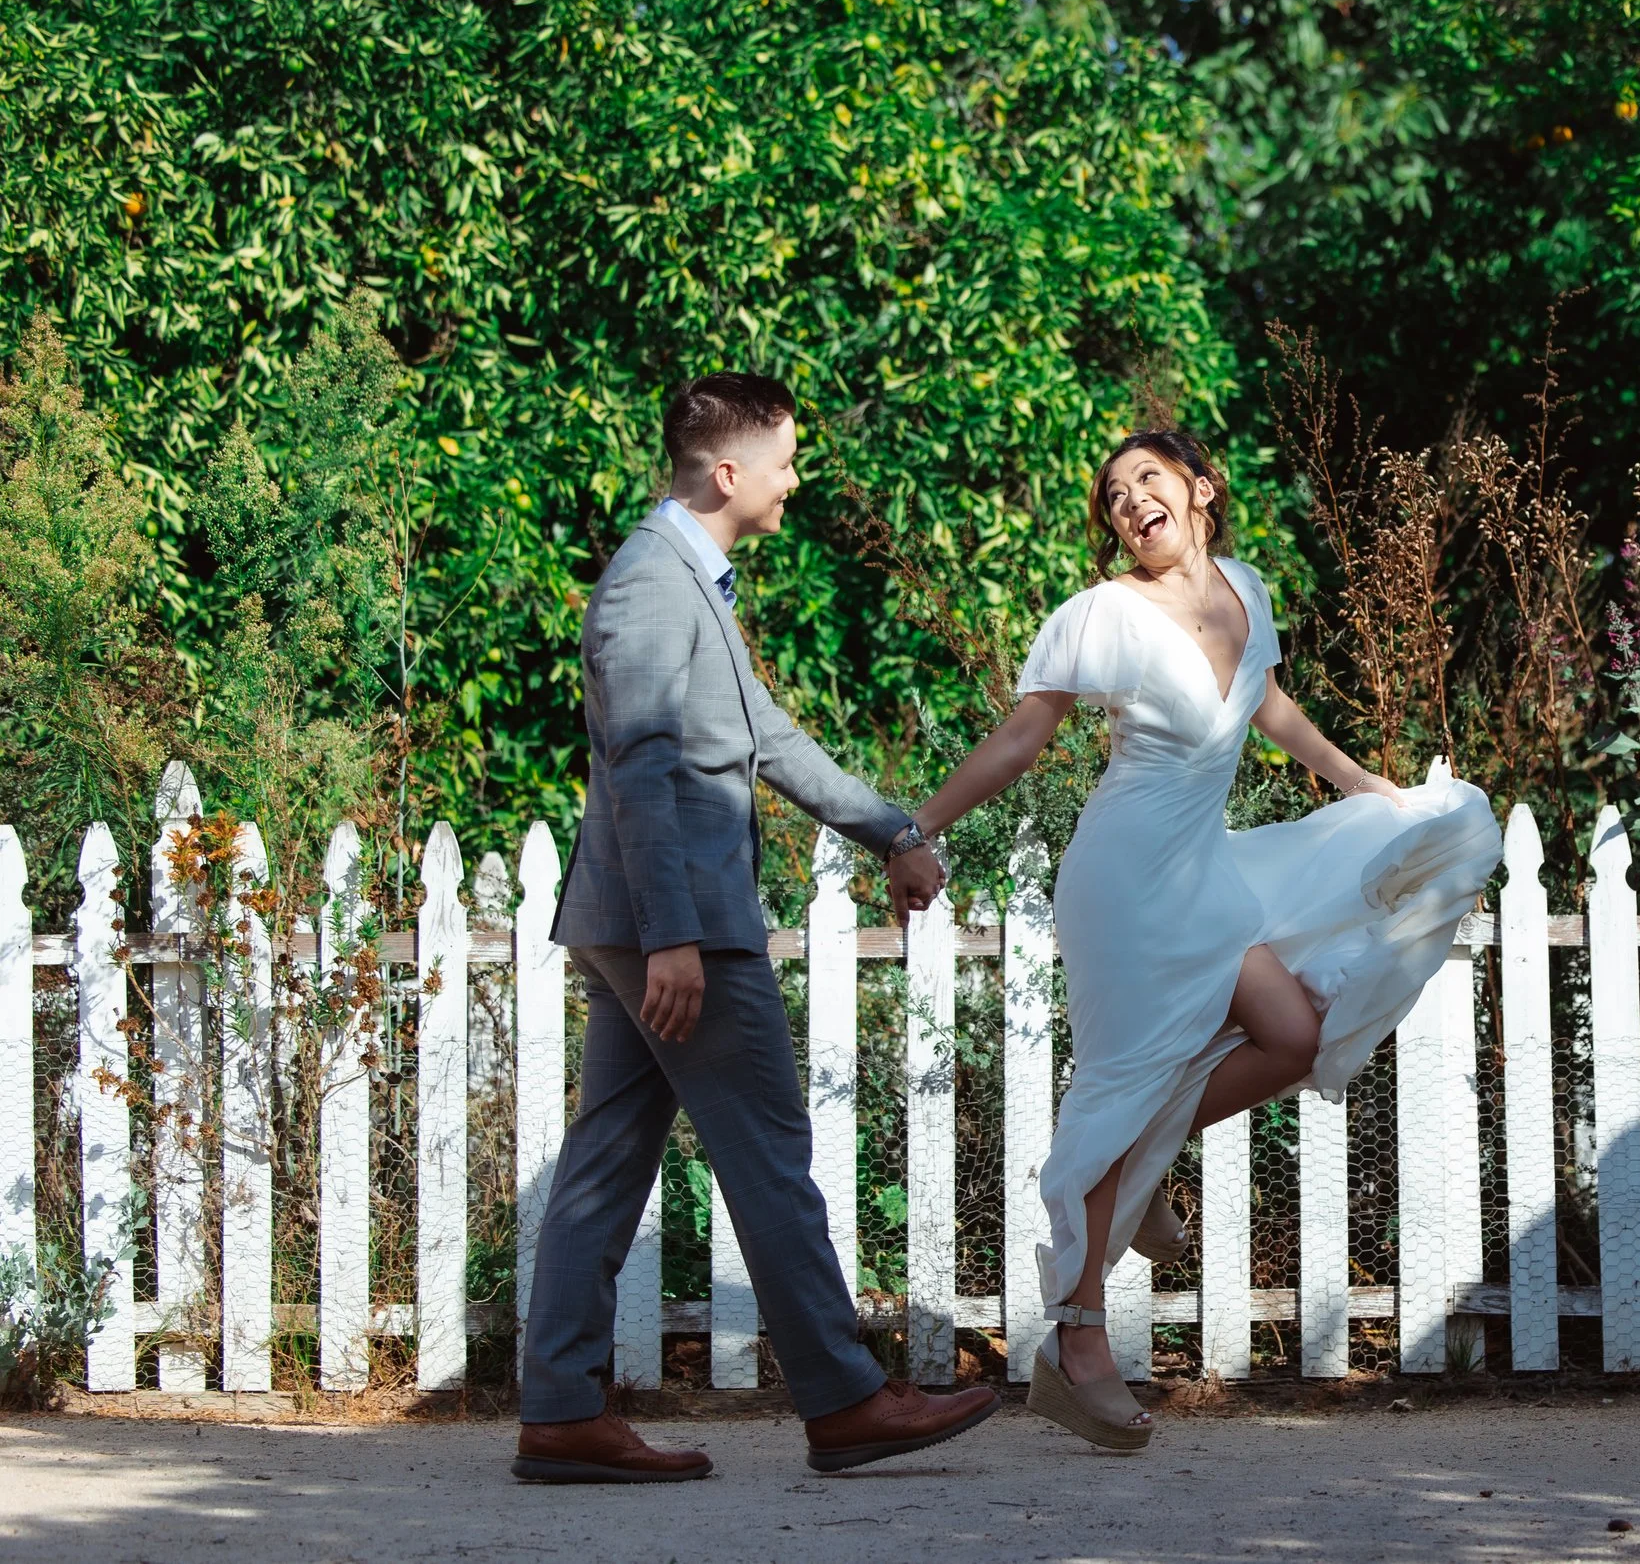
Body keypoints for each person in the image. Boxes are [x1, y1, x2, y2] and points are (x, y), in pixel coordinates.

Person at [909, 430, 1499, 1450]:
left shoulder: (1244, 588)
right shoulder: (1100, 616)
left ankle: (1147, 1155)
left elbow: (1264, 702)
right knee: (1121, 1087)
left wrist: (1361, 783)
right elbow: (1021, 735)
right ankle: (1075, 1343)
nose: (1129, 499)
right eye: (1112, 494)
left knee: (1293, 1032)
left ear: (1200, 488)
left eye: (1148, 479)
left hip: (1203, 872)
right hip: (1124, 882)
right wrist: (914, 827)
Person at [516, 373, 1000, 1483]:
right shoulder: (651, 585)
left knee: (604, 1160)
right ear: (728, 472)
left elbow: (766, 740)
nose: (795, 477)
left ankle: (558, 1409)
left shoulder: (693, 581)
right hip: (674, 919)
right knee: (773, 1155)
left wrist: (895, 828)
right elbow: (638, 769)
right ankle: (844, 1396)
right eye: (784, 459)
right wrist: (674, 936)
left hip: (650, 915)